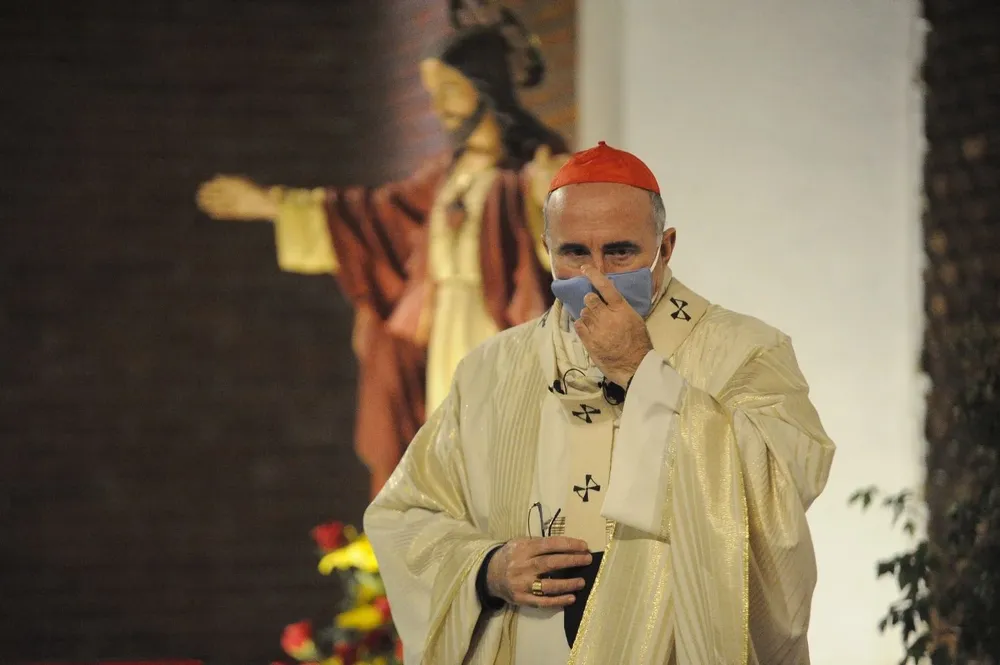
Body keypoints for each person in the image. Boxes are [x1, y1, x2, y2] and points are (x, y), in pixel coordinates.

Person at [364, 141, 837, 664]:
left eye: (620, 251)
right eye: (574, 253)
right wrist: (489, 568)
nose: (595, 274)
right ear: (547, 248)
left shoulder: (746, 351)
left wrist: (639, 370)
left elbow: (779, 486)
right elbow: (406, 513)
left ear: (667, 246)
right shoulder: (490, 370)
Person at [195, 6, 570, 498]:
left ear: (487, 88)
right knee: (450, 458)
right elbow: (371, 217)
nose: (439, 109)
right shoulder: (442, 179)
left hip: (502, 333)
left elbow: (568, 252)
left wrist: (556, 200)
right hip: (442, 344)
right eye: (434, 95)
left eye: (450, 92)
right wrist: (272, 205)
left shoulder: (532, 170)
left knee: (501, 460)